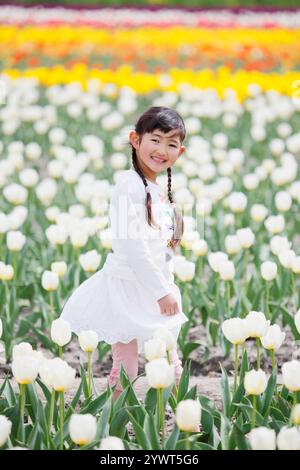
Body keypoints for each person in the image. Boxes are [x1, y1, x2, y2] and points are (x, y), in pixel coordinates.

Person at [59, 106, 189, 401]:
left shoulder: (157, 189)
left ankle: (184, 423)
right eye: (155, 140)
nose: (162, 149)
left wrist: (167, 281)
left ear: (179, 153)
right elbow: (132, 248)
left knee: (171, 361)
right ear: (135, 139)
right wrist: (161, 291)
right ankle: (114, 423)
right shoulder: (128, 187)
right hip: (130, 287)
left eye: (171, 144)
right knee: (129, 365)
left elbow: (156, 245)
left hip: (154, 285)